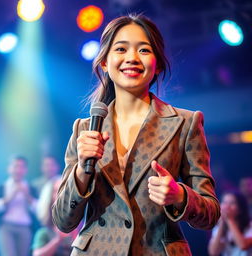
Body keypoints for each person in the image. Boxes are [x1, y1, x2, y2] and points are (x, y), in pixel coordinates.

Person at [52, 14, 220, 256]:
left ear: (158, 64)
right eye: (121, 49)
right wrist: (81, 171)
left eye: (143, 50)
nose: (131, 58)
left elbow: (211, 213)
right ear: (104, 64)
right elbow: (62, 220)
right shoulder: (84, 129)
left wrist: (180, 195)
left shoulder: (185, 123)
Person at [0, 156, 38, 256]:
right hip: (5, 227)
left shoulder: (31, 188)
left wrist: (28, 197)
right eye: (15, 166)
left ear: (26, 170)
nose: (18, 170)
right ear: (9, 168)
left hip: (25, 228)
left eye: (21, 167)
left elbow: (40, 211)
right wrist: (8, 198)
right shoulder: (1, 187)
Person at [32, 177, 78, 256]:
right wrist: (58, 239)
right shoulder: (44, 233)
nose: (60, 195)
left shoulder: (78, 227)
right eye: (56, 190)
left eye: (64, 190)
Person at [208, 191, 252, 256]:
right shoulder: (218, 227)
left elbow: (243, 245)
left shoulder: (250, 225)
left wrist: (229, 219)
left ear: (240, 209)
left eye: (232, 203)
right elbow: (213, 252)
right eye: (225, 202)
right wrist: (221, 224)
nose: (227, 207)